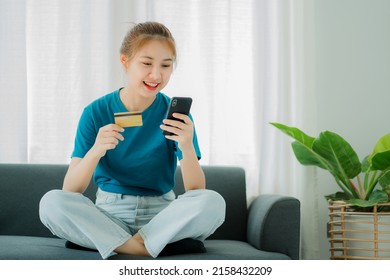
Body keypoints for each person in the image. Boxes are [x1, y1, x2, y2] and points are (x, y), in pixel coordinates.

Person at [39, 21, 226, 259]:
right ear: (125, 61)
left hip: (162, 216)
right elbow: (71, 189)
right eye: (146, 63)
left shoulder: (176, 114)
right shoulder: (95, 112)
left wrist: (187, 146)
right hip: (109, 215)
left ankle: (113, 244)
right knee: (52, 202)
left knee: (213, 201)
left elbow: (196, 191)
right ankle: (147, 247)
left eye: (166, 65)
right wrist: (96, 150)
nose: (156, 75)